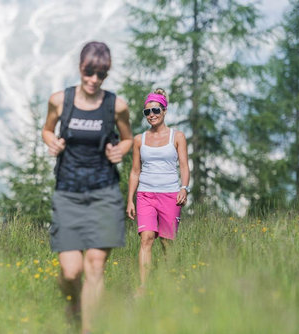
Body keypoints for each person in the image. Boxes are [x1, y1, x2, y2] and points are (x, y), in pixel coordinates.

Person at [42, 41, 132, 333]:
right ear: (80, 68)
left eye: (101, 75)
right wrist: (51, 141)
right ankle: (73, 309)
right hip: (68, 192)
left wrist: (122, 150)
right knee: (71, 271)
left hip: (104, 192)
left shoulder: (116, 106)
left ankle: (88, 330)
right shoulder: (60, 100)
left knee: (95, 265)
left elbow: (128, 137)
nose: (94, 80)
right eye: (89, 73)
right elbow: (46, 129)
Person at [126, 88, 190, 293]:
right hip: (145, 194)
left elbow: (184, 166)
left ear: (164, 111)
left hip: (171, 195)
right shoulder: (139, 140)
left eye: (155, 110)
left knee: (167, 242)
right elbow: (135, 171)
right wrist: (130, 200)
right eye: (147, 112)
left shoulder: (177, 136)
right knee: (146, 238)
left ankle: (171, 284)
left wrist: (184, 188)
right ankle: (143, 288)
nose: (151, 114)